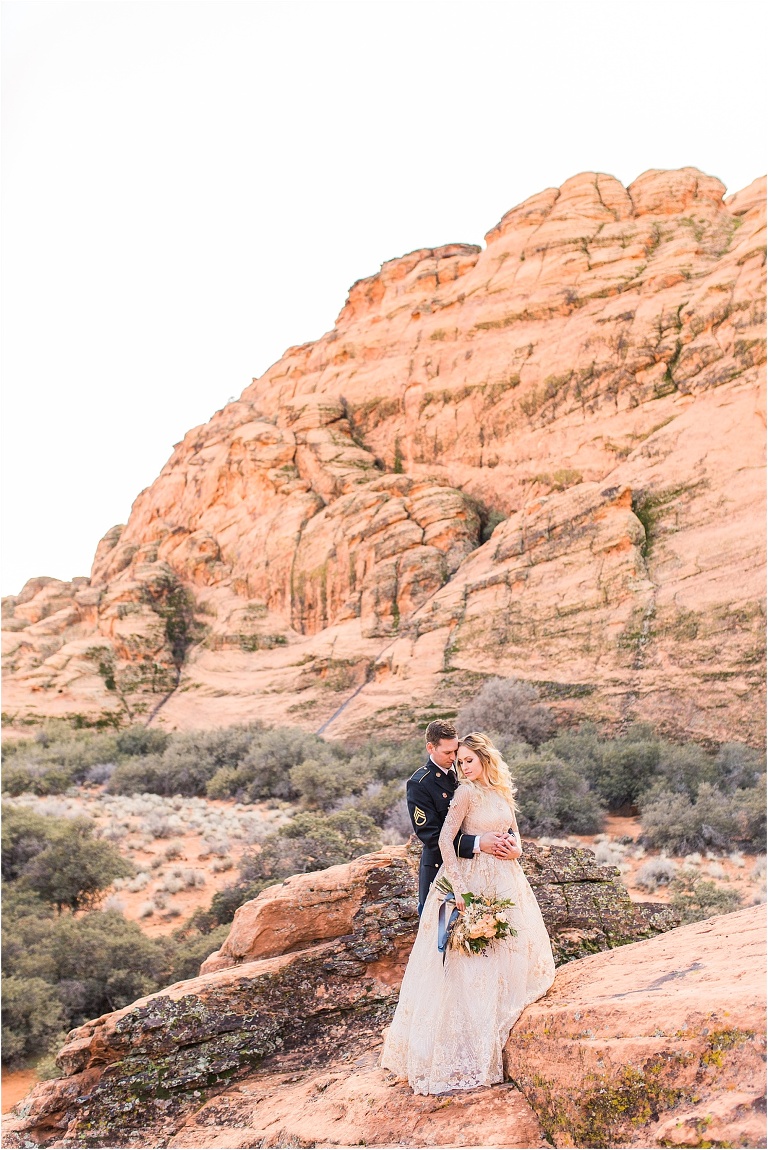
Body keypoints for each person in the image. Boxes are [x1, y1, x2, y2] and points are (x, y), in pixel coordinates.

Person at [381, 731, 556, 1095]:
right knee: (460, 957)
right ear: (434, 749)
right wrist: (461, 886)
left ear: (485, 759)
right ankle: (458, 1042)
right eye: (456, 759)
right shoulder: (450, 789)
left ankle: (499, 1014)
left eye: (466, 759)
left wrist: (515, 851)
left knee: (505, 947)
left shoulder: (500, 790)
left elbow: (515, 835)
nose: (459, 765)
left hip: (505, 877)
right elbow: (439, 839)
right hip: (465, 876)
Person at [407, 720, 518, 913]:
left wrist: (513, 847)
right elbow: (432, 837)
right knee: (440, 928)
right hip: (440, 868)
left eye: (455, 751)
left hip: (485, 871)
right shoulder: (420, 783)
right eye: (447, 753)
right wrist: (478, 842)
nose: (454, 758)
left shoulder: (466, 771)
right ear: (430, 748)